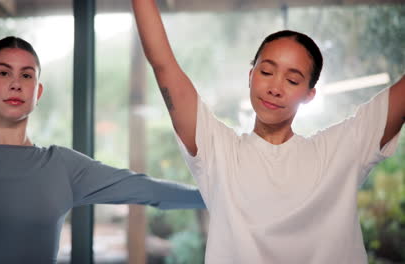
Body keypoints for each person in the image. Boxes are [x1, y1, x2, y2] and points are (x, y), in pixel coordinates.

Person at [131, 1, 404, 263]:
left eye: (292, 79)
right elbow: (164, 65)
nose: (275, 87)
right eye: (266, 71)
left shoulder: (342, 149)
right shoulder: (218, 150)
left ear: (309, 95)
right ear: (250, 76)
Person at [0, 36, 206, 264]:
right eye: (4, 72)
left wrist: (221, 194)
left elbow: (148, 189)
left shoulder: (62, 167)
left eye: (26, 75)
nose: (16, 83)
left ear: (38, 92)